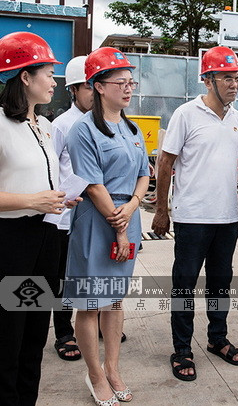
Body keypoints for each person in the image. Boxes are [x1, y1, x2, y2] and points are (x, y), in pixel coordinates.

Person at [152, 46, 238, 382]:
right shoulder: (186, 114)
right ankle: (181, 350)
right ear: (208, 80)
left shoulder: (235, 117)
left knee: (221, 283)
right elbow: (165, 163)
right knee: (184, 284)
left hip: (228, 217)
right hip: (192, 218)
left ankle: (217, 338)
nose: (234, 84)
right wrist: (162, 210)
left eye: (237, 77)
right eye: (226, 77)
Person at [64, 47, 149, 405]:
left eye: (131, 82)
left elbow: (145, 174)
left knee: (114, 299)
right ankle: (95, 374)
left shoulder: (131, 127)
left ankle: (113, 368)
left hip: (126, 216)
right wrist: (118, 223)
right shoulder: (82, 130)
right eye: (121, 82)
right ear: (98, 86)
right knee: (89, 303)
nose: (128, 88)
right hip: (97, 221)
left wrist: (130, 208)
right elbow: (93, 184)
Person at [0, 31, 67, 406]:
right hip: (12, 243)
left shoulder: (43, 126)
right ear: (25, 76)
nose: (53, 81)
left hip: (45, 240)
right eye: (47, 73)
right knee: (9, 337)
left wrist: (55, 200)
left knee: (34, 337)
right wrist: (33, 200)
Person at [45, 56, 92, 361]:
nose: (93, 91)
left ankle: (97, 323)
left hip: (95, 215)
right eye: (87, 86)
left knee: (93, 274)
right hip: (65, 216)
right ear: (74, 90)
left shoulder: (106, 123)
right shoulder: (61, 125)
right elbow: (50, 169)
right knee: (62, 279)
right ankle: (64, 332)